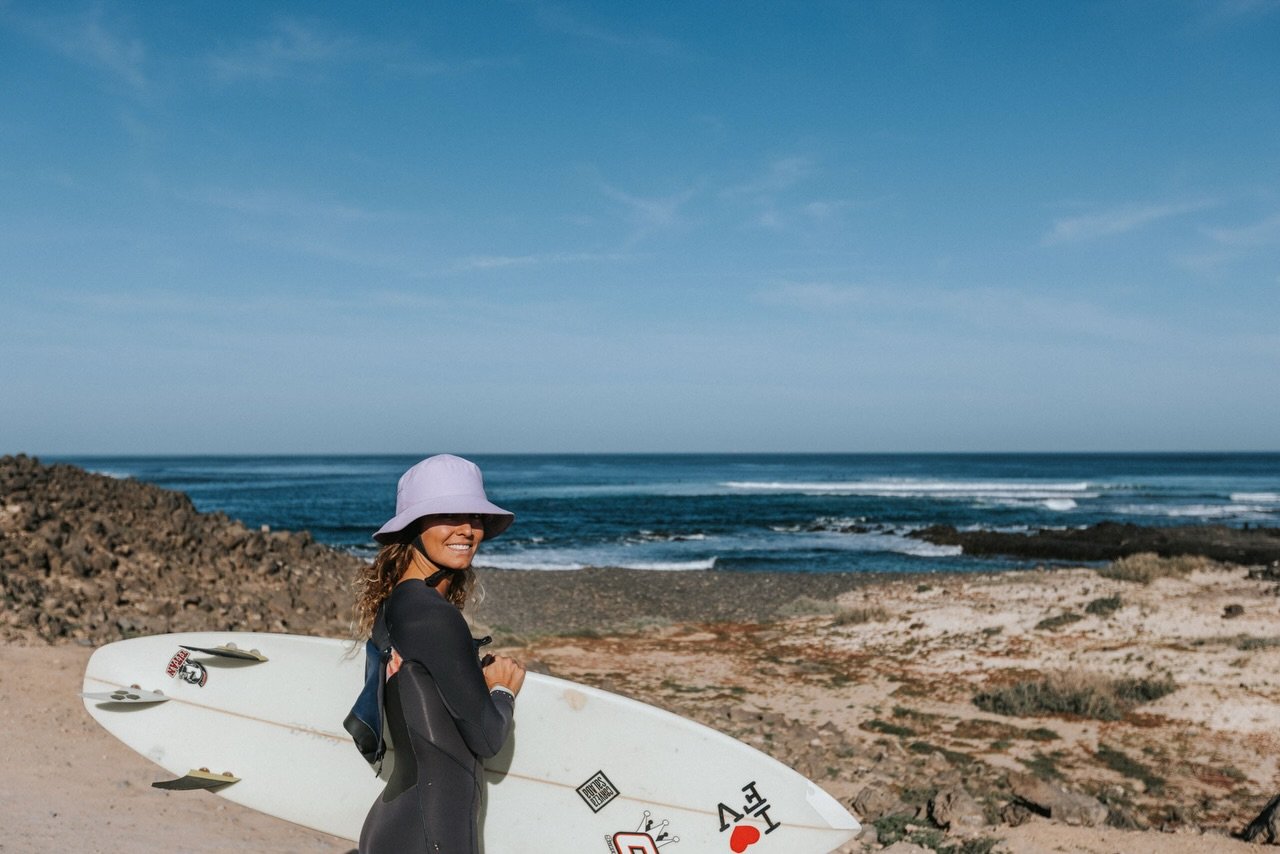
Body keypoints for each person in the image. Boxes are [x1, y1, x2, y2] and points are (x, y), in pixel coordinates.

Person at [353, 454, 526, 854]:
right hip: (433, 832)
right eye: (448, 515)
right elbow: (486, 736)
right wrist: (503, 689)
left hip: (399, 822)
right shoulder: (432, 617)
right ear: (414, 527)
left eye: (476, 518)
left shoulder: (397, 606)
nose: (467, 529)